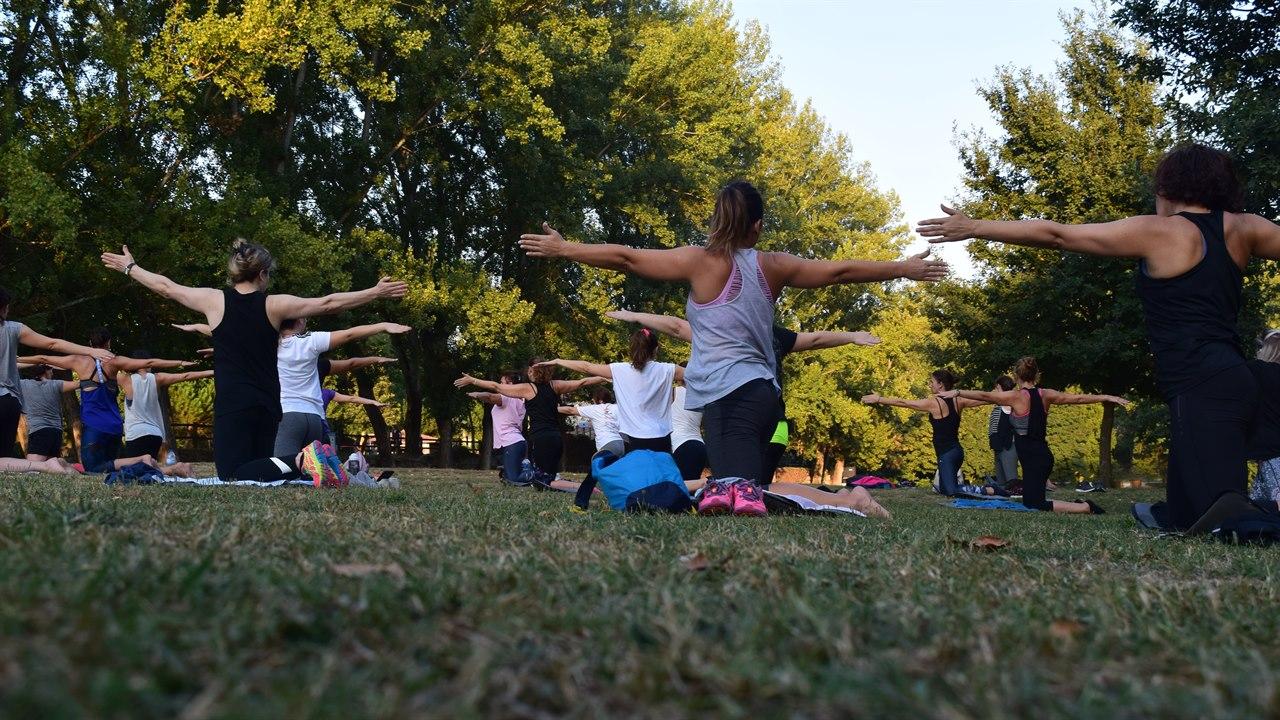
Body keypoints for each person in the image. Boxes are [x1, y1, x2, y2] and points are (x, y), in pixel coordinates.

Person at [521, 181, 947, 516]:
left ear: (717, 220)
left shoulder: (700, 261)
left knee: (743, 493)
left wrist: (565, 249)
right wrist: (902, 268)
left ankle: (847, 501)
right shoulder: (774, 265)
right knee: (735, 490)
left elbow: (628, 258)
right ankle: (841, 500)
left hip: (732, 398)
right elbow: (839, 271)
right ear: (757, 225)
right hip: (762, 395)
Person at [919, 143, 1280, 530]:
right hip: (1231, 381)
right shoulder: (1246, 227)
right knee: (1183, 516)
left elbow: (1058, 235)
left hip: (1203, 390)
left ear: (1168, 189)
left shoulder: (1161, 231)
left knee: (1223, 519)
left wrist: (975, 227)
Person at [101, 240, 408, 478]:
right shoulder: (274, 305)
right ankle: (318, 464)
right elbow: (327, 304)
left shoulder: (213, 300)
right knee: (263, 471)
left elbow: (166, 288)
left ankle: (303, 460)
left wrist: (131, 267)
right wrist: (374, 292)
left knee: (233, 473)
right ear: (262, 274)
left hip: (235, 403)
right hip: (268, 403)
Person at [606, 309, 880, 483]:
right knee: (760, 486)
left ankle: (840, 501)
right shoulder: (776, 336)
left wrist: (636, 316)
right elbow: (816, 340)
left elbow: (678, 327)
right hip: (777, 423)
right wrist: (851, 335)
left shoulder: (724, 334)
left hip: (738, 419)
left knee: (741, 486)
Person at [940, 356, 1127, 514]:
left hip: (1035, 459)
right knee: (1030, 501)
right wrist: (1107, 397)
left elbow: (984, 396)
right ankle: (1080, 505)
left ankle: (1086, 507)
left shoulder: (1015, 396)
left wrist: (957, 392)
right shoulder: (1046, 394)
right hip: (1038, 457)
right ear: (1036, 375)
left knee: (1034, 504)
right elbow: (1077, 398)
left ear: (1016, 376)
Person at [21, 329, 192, 473]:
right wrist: (181, 362)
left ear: (89, 343)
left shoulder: (78, 360)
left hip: (94, 426)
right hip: (115, 426)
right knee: (110, 468)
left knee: (92, 468)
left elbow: (43, 358)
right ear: (108, 343)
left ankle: (142, 459)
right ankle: (159, 466)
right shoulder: (115, 362)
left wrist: (16, 359)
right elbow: (149, 362)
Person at [0, 288, 114, 458]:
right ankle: (52, 466)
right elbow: (53, 344)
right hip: (8, 401)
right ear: (3, 309)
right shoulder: (13, 328)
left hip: (9, 402)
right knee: (4, 458)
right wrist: (90, 351)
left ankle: (49, 467)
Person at [454, 359, 606, 482]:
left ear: (533, 372)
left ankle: (583, 488)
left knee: (543, 481)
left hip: (541, 439)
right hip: (557, 438)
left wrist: (472, 380)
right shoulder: (556, 385)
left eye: (530, 370)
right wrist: (605, 376)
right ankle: (572, 485)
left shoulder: (528, 389)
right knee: (549, 477)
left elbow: (496, 387)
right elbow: (582, 382)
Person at [536, 328, 683, 454]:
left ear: (631, 349)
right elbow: (697, 376)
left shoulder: (619, 369)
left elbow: (586, 367)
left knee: (639, 480)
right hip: (661, 436)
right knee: (661, 478)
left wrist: (558, 361)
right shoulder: (669, 369)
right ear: (656, 349)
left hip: (634, 438)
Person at [862, 369, 980, 497]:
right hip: (956, 452)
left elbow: (903, 402)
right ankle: (974, 488)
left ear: (940, 384)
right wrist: (998, 397)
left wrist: (879, 399)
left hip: (947, 455)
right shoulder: (959, 401)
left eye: (932, 382)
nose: (930, 385)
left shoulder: (934, 403)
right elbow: (984, 399)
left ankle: (988, 490)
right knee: (943, 490)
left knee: (951, 492)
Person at [119, 355, 213, 476]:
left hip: (136, 433)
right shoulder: (157, 378)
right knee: (148, 471)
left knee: (137, 472)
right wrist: (213, 371)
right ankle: (177, 468)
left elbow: (107, 369)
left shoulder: (125, 379)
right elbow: (185, 375)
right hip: (155, 434)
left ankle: (177, 468)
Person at [467, 371, 531, 483]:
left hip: (511, 442)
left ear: (510, 384)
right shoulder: (521, 399)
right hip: (515, 442)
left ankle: (535, 472)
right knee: (507, 477)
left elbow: (490, 397)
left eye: (502, 382)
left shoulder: (507, 398)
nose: (499, 385)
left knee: (514, 479)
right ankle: (522, 467)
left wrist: (476, 394)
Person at [1247, 331, 1280, 510]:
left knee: (1267, 502)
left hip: (1270, 449)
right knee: (1261, 501)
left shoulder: (1257, 370)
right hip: (1270, 449)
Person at [19, 364, 78, 462]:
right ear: (45, 371)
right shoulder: (56, 384)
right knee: (51, 467)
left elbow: (8, 370)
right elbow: (81, 383)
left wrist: (32, 362)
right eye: (51, 370)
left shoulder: (23, 384)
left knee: (33, 468)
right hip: (56, 432)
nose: (52, 372)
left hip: (39, 431)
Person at [559, 386, 625, 458]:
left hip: (606, 444)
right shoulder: (617, 408)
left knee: (602, 467)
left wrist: (553, 407)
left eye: (594, 398)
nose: (593, 400)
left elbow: (570, 410)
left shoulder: (594, 409)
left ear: (600, 400)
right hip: (620, 443)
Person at [987, 375, 1019, 492]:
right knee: (1001, 480)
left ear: (1001, 387)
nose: (995, 391)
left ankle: (1016, 493)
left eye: (997, 388)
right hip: (997, 445)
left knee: (1011, 477)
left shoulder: (1012, 406)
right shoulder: (998, 405)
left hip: (1008, 445)